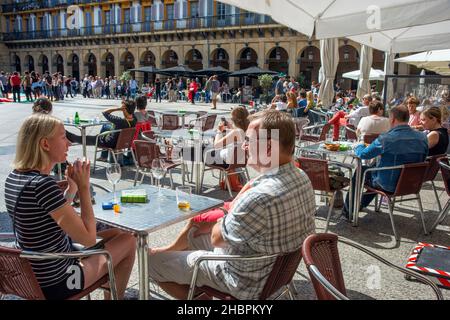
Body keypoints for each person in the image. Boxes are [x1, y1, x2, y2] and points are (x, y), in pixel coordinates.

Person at [148, 110, 316, 299]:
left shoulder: (259, 197)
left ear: (268, 147)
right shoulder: (301, 177)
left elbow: (215, 238)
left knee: (150, 262)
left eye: (248, 141)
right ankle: (191, 280)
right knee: (194, 235)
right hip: (273, 272)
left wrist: (234, 204)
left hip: (243, 280)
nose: (244, 146)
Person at [4, 114, 136, 300]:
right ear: (45, 144)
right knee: (129, 240)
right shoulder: (43, 185)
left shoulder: (14, 177)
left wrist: (71, 189)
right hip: (58, 281)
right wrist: (83, 188)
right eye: (63, 136)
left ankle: (110, 287)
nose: (69, 143)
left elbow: (46, 218)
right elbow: (89, 239)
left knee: (116, 233)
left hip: (33, 273)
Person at [341, 105, 429, 220]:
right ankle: (360, 204)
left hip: (389, 184)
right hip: (411, 184)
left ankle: (348, 211)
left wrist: (359, 145)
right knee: (372, 171)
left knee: (362, 171)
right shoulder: (422, 137)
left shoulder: (386, 139)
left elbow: (363, 154)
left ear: (392, 119)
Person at [66, 100, 137, 162]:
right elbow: (131, 111)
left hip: (108, 143)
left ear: (124, 109)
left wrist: (118, 108)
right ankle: (104, 156)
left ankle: (69, 136)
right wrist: (126, 106)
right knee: (106, 126)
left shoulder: (120, 121)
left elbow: (104, 112)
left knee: (85, 138)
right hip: (121, 143)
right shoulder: (134, 120)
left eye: (122, 108)